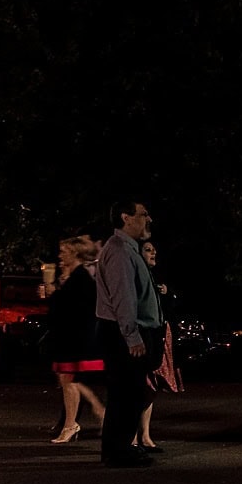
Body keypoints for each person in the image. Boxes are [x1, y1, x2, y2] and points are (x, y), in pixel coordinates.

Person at [93, 199, 164, 466]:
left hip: (125, 332)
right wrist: (132, 336)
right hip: (122, 334)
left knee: (131, 393)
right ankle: (117, 451)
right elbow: (123, 298)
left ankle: (121, 448)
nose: (148, 219)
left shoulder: (127, 249)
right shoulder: (121, 251)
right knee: (126, 393)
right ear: (126, 218)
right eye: (143, 214)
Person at [44, 234, 106, 444]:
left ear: (75, 254)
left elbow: (72, 308)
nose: (60, 256)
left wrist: (53, 294)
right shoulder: (75, 277)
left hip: (76, 337)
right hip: (72, 336)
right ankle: (76, 421)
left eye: (64, 252)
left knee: (69, 379)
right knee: (68, 379)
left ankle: (75, 422)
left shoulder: (81, 278)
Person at [137, 238, 183, 449]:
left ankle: (145, 435)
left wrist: (167, 293)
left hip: (161, 336)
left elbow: (170, 307)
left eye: (154, 250)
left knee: (152, 386)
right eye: (148, 250)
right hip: (146, 336)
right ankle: (133, 436)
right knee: (141, 385)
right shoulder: (138, 276)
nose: (153, 253)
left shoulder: (157, 278)